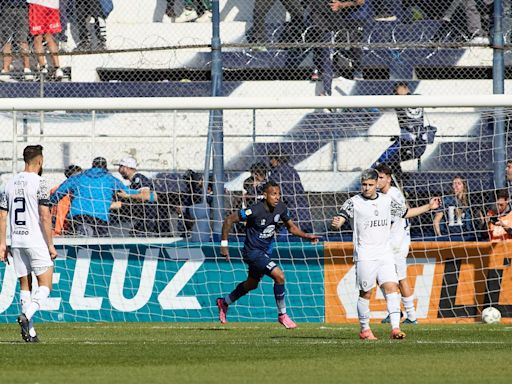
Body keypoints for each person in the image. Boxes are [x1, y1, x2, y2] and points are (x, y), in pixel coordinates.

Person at [331, 169, 440, 340]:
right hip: (365, 255)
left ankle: (396, 328)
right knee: (366, 293)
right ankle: (365, 329)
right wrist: (338, 223)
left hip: (385, 253)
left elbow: (406, 213)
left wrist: (429, 207)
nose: (366, 188)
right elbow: (342, 217)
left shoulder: (387, 201)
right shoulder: (353, 202)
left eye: (370, 185)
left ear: (376, 184)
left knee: (392, 288)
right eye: (364, 185)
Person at [216, 180, 319, 329]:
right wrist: (224, 245)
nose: (277, 197)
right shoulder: (254, 210)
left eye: (278, 194)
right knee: (279, 276)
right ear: (265, 195)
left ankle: (224, 302)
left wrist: (306, 236)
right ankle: (282, 315)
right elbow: (229, 220)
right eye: (273, 194)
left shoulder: (281, 208)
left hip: (264, 253)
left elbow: (291, 228)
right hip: (252, 253)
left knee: (252, 284)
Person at [0, 145, 58, 342]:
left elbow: (2, 215)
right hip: (36, 241)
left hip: (16, 241)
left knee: (25, 285)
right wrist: (50, 245)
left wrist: (2, 243)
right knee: (46, 285)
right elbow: (44, 214)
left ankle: (30, 333)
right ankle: (27, 315)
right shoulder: (40, 183)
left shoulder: (8, 183)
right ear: (40, 161)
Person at [50, 157, 154, 237]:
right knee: (98, 245)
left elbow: (60, 191)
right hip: (99, 217)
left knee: (78, 244)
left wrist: (49, 202)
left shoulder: (79, 177)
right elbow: (126, 191)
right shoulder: (109, 179)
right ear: (105, 167)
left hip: (78, 216)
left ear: (92, 166)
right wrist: (151, 196)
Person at [375, 163, 417, 325]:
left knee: (400, 279)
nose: (378, 181)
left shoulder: (391, 195)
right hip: (391, 243)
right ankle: (395, 311)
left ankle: (412, 316)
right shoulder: (390, 194)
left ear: (389, 179)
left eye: (381, 178)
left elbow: (391, 221)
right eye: (376, 177)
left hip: (397, 244)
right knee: (381, 278)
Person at [373, 81, 436, 180]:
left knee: (380, 162)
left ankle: (398, 179)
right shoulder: (418, 98)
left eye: (396, 90)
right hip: (420, 144)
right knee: (392, 161)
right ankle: (402, 180)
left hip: (408, 143)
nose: (395, 93)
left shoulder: (400, 101)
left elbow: (380, 106)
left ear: (405, 88)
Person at [309, 0, 368, 93]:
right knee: (327, 40)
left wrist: (341, 5)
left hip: (354, 16)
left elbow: (360, 1)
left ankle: (357, 72)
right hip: (336, 15)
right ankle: (329, 70)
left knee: (353, 41)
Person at [268, 150, 313, 234]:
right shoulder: (292, 171)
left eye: (271, 158)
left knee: (286, 238)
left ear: (277, 159)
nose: (270, 161)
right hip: (303, 209)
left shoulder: (276, 173)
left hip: (291, 211)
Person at [114, 157, 158, 236]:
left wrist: (128, 196)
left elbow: (146, 196)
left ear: (126, 167)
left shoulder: (138, 178)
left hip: (150, 217)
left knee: (136, 235)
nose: (119, 170)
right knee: (134, 233)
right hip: (145, 217)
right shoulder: (133, 182)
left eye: (120, 167)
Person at [433, 175, 477, 241]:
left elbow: (479, 217)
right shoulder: (446, 200)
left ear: (464, 186)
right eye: (454, 183)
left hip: (466, 236)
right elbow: (436, 220)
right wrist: (440, 236)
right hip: (449, 235)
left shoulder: (470, 200)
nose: (456, 186)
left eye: (459, 183)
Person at [27, 0, 64, 80]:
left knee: (39, 37)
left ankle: (44, 67)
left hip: (38, 4)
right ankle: (56, 68)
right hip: (50, 5)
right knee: (47, 36)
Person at [0, 0, 34, 82]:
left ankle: (27, 69)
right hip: (6, 6)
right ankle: (6, 69)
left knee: (22, 40)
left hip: (22, 7)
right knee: (7, 40)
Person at [50, 164, 83, 236]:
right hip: (63, 230)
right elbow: (61, 212)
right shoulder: (69, 192)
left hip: (54, 228)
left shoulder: (57, 189)